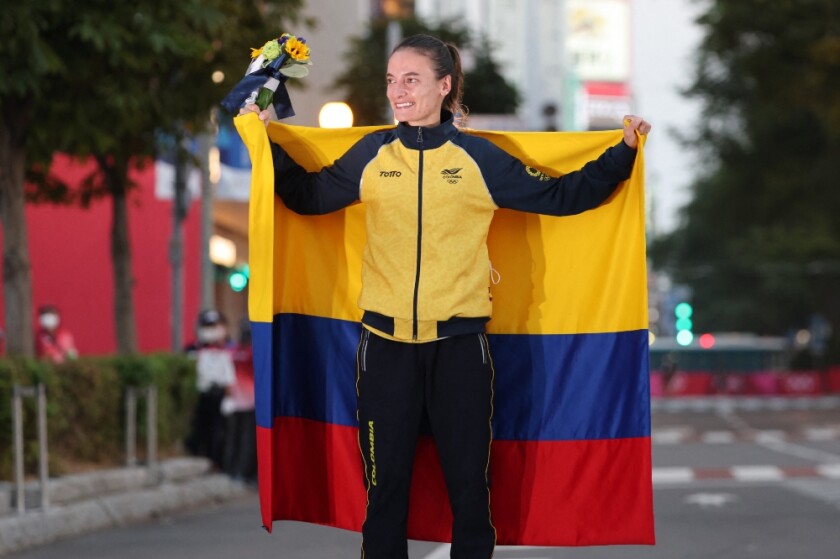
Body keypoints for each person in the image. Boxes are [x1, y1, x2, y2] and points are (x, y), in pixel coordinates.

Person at [242, 34, 650, 559]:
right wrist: (265, 141)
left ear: (444, 85)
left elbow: (562, 196)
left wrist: (622, 154)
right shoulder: (372, 153)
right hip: (383, 348)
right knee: (384, 497)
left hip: (460, 350)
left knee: (470, 498)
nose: (398, 91)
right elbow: (307, 196)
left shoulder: (478, 157)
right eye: (392, 80)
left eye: (411, 79)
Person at [185, 309, 236, 470]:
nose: (212, 330)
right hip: (201, 394)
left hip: (220, 396)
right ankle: (200, 455)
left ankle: (218, 461)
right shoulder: (193, 350)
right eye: (208, 326)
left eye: (215, 325)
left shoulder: (231, 349)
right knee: (201, 427)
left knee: (220, 430)